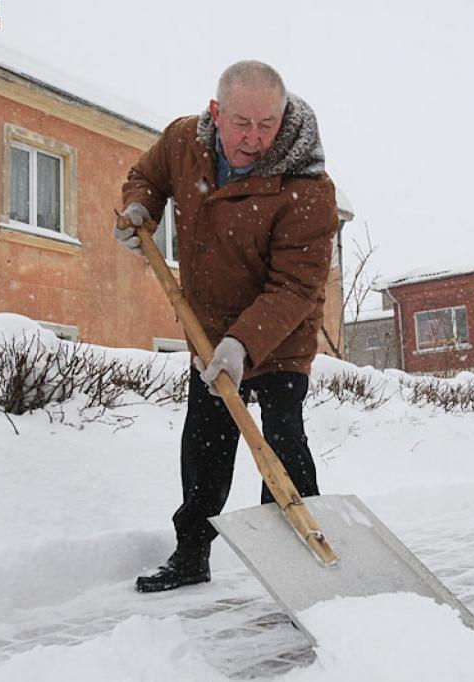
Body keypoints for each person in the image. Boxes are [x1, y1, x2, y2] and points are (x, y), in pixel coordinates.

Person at [114, 60, 339, 592]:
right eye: (242, 123)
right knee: (205, 447)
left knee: (282, 443)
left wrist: (244, 343)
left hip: (278, 337)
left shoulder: (307, 185)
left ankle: (299, 569)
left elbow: (295, 286)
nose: (254, 138)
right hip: (208, 332)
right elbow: (146, 177)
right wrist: (139, 208)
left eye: (267, 124)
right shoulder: (183, 142)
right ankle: (191, 555)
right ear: (216, 113)